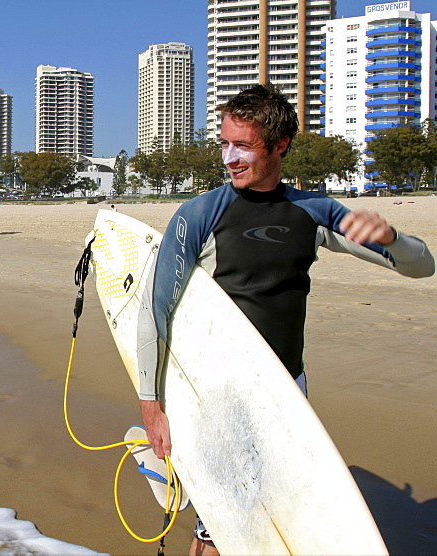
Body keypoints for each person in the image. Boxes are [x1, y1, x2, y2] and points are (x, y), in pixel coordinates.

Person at [136, 84, 434, 555]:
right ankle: (175, 479)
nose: (230, 158)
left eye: (244, 146)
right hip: (216, 391)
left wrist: (392, 238)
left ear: (280, 146)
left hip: (287, 388)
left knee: (267, 521)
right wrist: (152, 407)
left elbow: (422, 266)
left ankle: (183, 488)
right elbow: (154, 310)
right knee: (220, 531)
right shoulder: (200, 214)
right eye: (224, 144)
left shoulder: (313, 212)